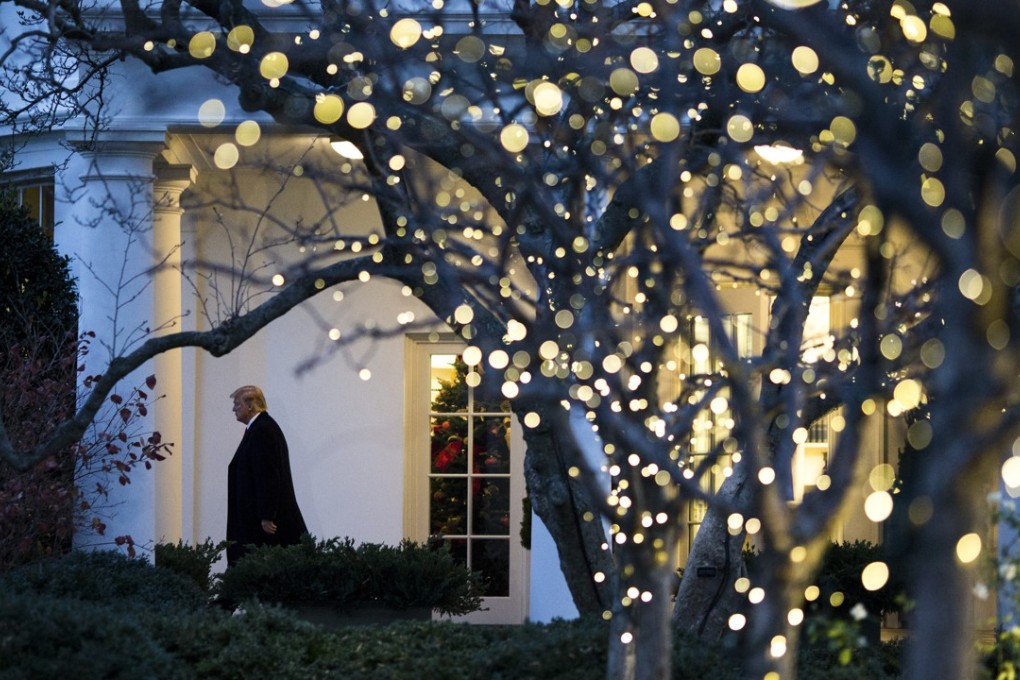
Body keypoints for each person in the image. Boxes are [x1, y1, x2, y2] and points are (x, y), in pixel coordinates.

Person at [226, 385, 308, 566]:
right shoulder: (259, 428)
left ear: (250, 405)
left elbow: (268, 474)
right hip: (255, 517)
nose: (234, 409)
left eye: (237, 404)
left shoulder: (263, 430)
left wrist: (267, 515)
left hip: (261, 524)